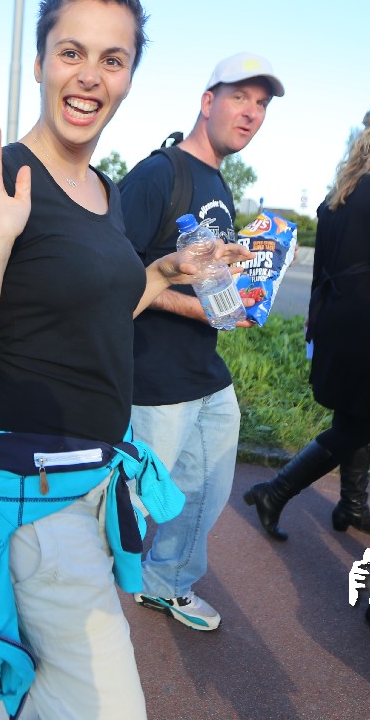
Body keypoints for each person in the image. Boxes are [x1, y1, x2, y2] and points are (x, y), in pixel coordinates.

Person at [0, 0, 254, 720]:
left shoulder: (106, 190)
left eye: (113, 59)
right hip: (36, 500)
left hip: (97, 483)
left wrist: (166, 268)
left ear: (131, 76)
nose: (89, 76)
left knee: (36, 693)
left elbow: (102, 308)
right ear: (41, 61)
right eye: (71, 52)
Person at [116, 52, 285, 631]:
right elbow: (117, 275)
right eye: (240, 97)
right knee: (131, 503)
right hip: (153, 376)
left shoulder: (219, 182)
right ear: (208, 101)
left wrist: (240, 293)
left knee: (206, 492)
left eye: (261, 104)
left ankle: (166, 583)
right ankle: (69, 600)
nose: (252, 113)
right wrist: (197, 308)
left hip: (204, 371)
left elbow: (206, 276)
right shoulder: (157, 175)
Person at [244, 101, 370, 541]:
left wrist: (314, 319)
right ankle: (275, 492)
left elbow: (322, 269)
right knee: (363, 421)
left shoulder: (339, 195)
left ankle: (352, 505)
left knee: (354, 414)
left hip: (335, 315)